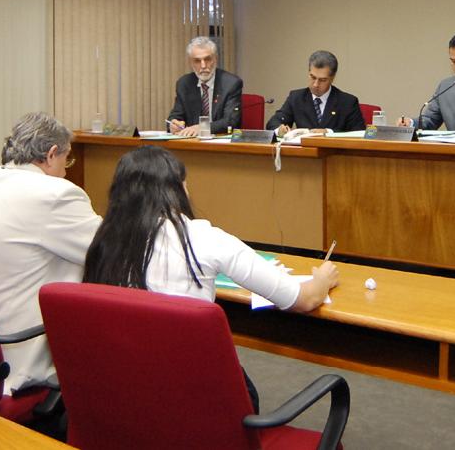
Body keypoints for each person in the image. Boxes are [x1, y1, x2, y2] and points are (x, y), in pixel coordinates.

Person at [83, 146, 340, 411]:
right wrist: (323, 278)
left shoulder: (103, 242)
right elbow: (304, 299)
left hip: (124, 396)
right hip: (196, 397)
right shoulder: (204, 238)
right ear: (176, 189)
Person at [0, 112, 101, 394]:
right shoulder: (55, 193)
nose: (66, 171)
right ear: (51, 154)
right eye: (66, 160)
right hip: (24, 352)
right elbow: (111, 250)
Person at [265, 50, 365, 135]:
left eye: (322, 80)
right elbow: (273, 123)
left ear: (332, 78)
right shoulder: (296, 97)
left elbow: (359, 133)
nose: (316, 84)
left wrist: (328, 132)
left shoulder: (348, 102)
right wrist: (280, 130)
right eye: (312, 77)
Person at [167, 36, 242, 136]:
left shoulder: (231, 83)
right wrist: (173, 124)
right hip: (193, 141)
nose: (203, 66)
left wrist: (203, 127)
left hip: (221, 140)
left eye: (207, 59)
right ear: (191, 62)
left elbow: (231, 121)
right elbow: (176, 115)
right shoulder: (184, 84)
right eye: (197, 61)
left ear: (215, 59)